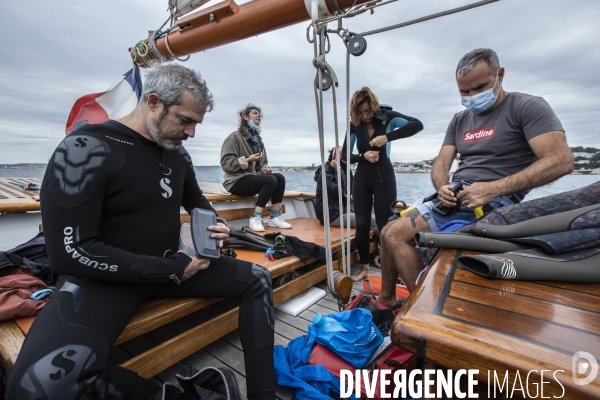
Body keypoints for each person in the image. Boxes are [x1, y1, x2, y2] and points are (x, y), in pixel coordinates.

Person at [6, 64, 276, 400]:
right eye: (186, 120)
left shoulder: (177, 154)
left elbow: (197, 202)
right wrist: (171, 267)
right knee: (38, 385)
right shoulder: (86, 149)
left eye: (196, 123)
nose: (192, 133)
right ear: (153, 102)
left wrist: (211, 229)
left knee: (259, 279)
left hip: (172, 268)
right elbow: (69, 254)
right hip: (104, 281)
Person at [377, 48, 574, 305]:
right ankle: (387, 300)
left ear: (499, 75)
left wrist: (492, 189)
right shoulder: (460, 120)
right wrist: (442, 186)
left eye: (479, 87)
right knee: (386, 232)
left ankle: (425, 313)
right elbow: (440, 164)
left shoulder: (526, 107)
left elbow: (561, 160)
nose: (471, 96)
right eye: (464, 91)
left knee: (395, 235)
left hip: (495, 202)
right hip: (455, 196)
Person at [341, 87, 424, 282]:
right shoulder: (355, 124)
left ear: (373, 106)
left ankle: (392, 272)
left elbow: (417, 125)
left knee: (385, 226)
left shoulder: (388, 118)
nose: (365, 115)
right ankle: (363, 269)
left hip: (384, 178)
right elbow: (344, 156)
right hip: (361, 178)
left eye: (367, 111)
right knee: (361, 224)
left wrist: (388, 137)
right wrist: (363, 156)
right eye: (360, 112)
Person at [221, 104, 291, 232]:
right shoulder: (234, 137)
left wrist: (264, 169)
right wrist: (248, 159)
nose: (259, 115)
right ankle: (255, 218)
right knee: (270, 180)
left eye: (259, 113)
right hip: (235, 181)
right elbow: (226, 163)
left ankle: (274, 217)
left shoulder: (258, 141)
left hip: (250, 178)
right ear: (246, 117)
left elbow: (262, 164)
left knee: (279, 178)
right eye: (255, 113)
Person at [314, 147, 378, 236]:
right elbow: (339, 191)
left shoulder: (343, 170)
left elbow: (349, 190)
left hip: (340, 211)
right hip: (331, 216)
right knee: (373, 220)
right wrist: (338, 171)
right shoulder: (326, 172)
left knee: (376, 217)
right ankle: (385, 247)